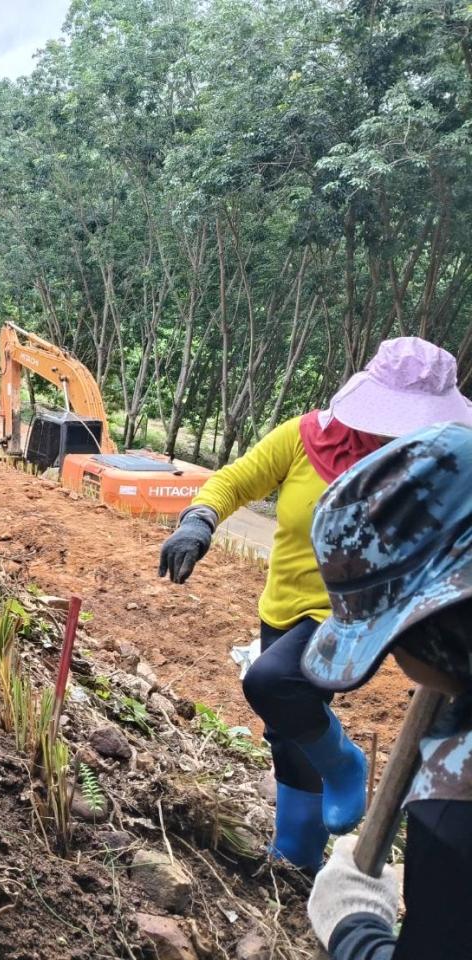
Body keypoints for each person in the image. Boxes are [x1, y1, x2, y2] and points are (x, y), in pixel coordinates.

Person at [158, 337, 472, 870]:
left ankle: (346, 765)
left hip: (354, 618)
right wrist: (199, 520)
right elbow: (236, 479)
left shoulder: (435, 469)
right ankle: (294, 859)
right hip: (282, 604)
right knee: (286, 732)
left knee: (270, 681)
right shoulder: (306, 438)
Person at [301, 422, 472, 958]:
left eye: (388, 639)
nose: (393, 661)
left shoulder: (456, 809)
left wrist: (355, 928)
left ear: (438, 627)